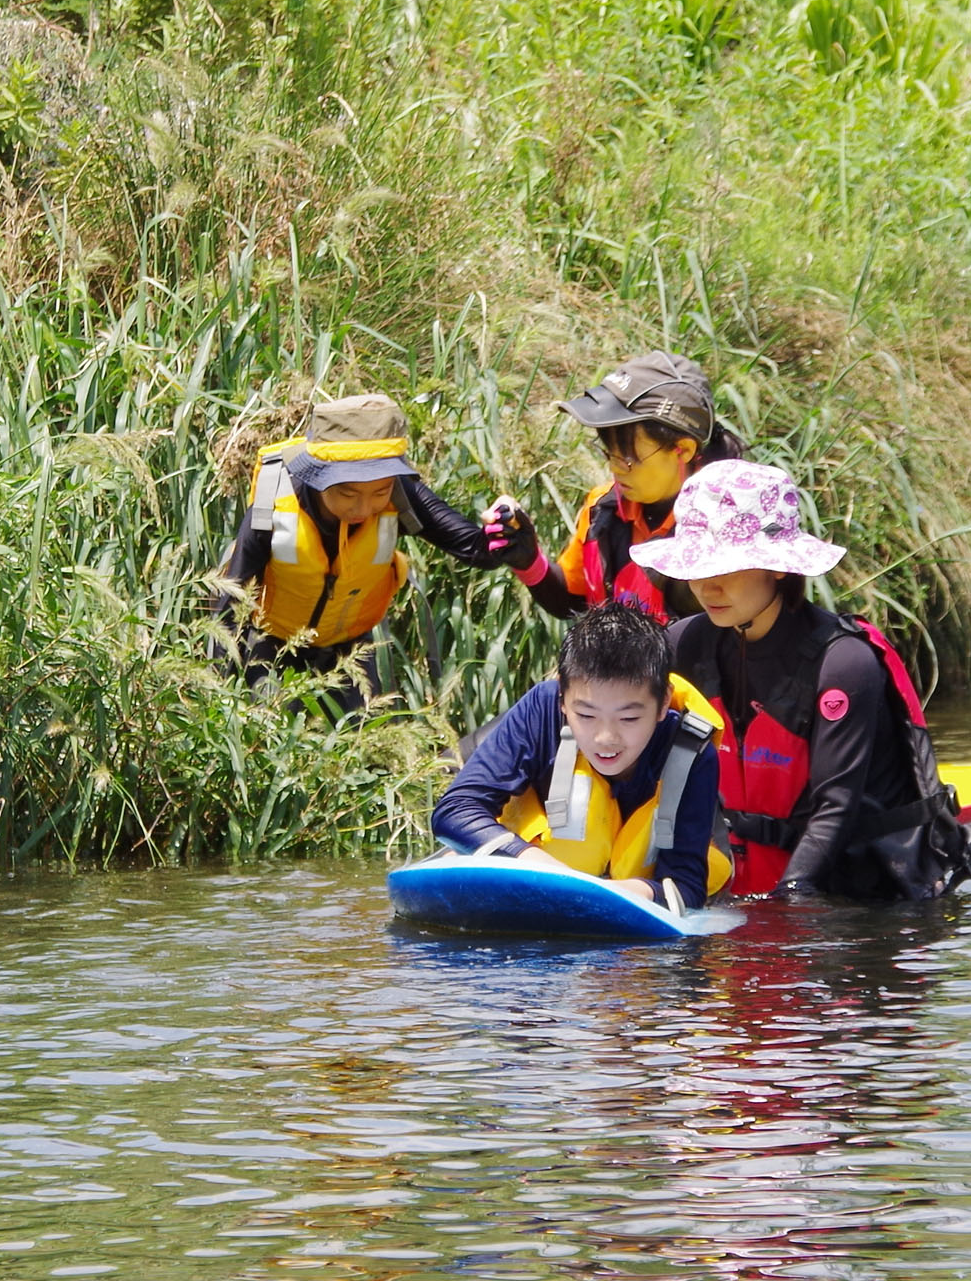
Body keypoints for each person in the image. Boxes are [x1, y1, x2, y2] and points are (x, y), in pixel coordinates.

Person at [640, 460, 971, 902]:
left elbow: (836, 807)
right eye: (698, 567)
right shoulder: (683, 645)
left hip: (859, 896)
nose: (707, 587)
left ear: (778, 567)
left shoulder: (843, 663)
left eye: (726, 565)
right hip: (738, 881)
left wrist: (789, 900)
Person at [430, 603, 734, 911]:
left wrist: (604, 895)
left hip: (624, 905)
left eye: (628, 719)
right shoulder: (541, 712)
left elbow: (687, 886)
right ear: (563, 698)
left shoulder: (692, 752)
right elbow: (455, 811)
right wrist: (544, 870)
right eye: (586, 715)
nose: (605, 738)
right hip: (532, 876)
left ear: (663, 701)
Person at [215, 394, 501, 715]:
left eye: (379, 492)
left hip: (350, 650)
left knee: (364, 746)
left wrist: (509, 534)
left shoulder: (400, 491)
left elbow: (479, 551)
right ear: (316, 476)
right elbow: (232, 598)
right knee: (270, 743)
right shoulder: (274, 500)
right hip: (272, 644)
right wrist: (215, 689)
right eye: (347, 493)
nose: (363, 509)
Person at [480, 351, 742, 623]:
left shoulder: (735, 524)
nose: (614, 468)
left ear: (683, 449)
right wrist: (529, 560)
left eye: (628, 457)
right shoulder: (602, 507)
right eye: (609, 452)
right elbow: (573, 601)